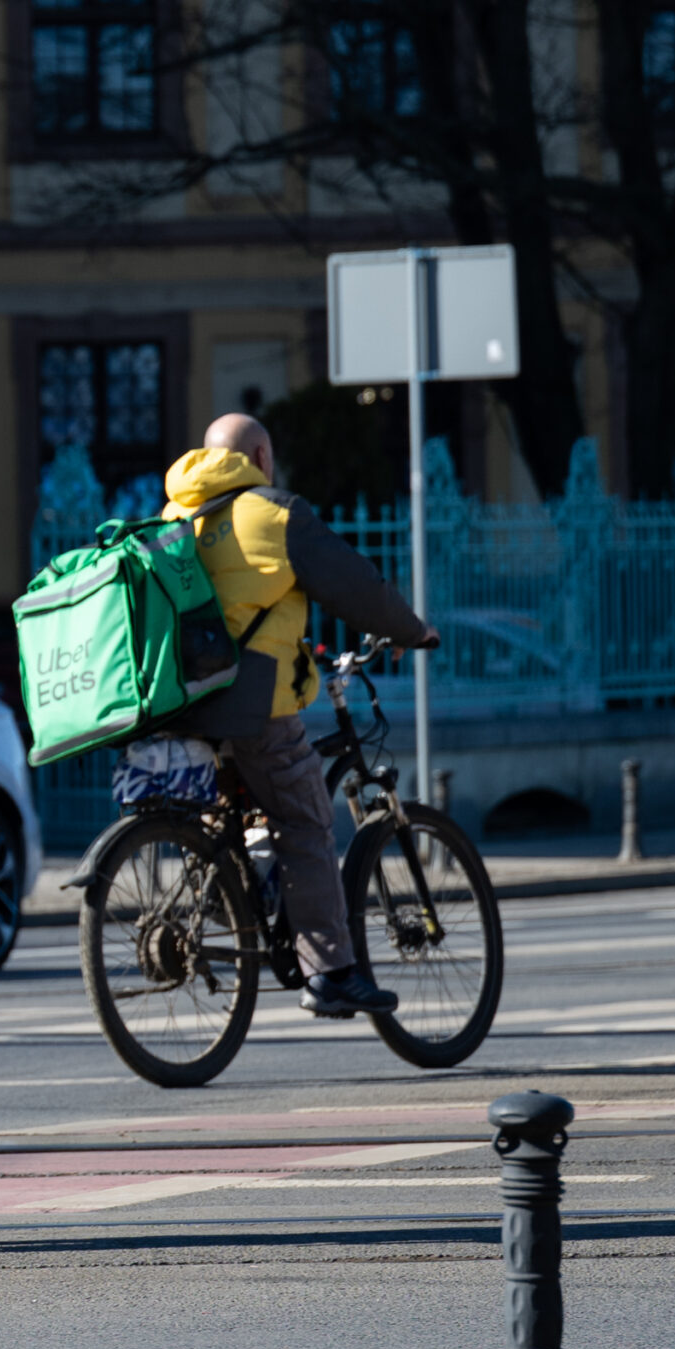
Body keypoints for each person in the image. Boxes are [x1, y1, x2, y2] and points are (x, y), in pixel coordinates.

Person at [163, 412, 437, 1018]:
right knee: (308, 820)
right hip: (254, 705)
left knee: (238, 810)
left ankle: (229, 890)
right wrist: (411, 630)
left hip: (183, 704)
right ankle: (332, 972)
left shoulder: (177, 514)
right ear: (261, 457)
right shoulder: (273, 511)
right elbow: (354, 585)